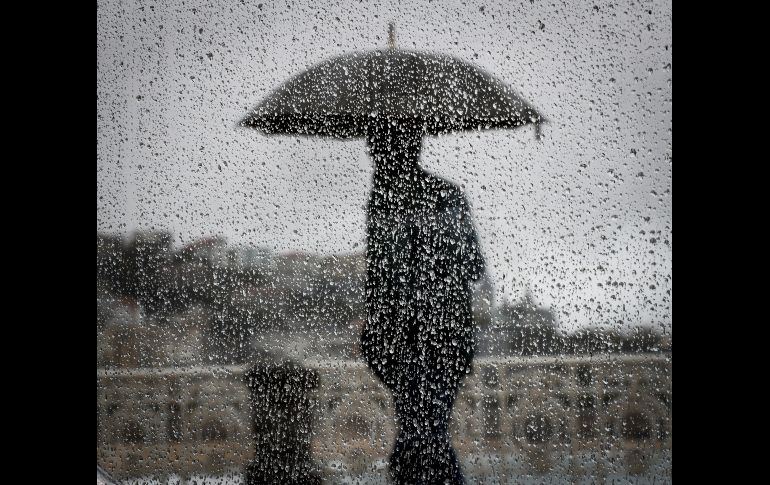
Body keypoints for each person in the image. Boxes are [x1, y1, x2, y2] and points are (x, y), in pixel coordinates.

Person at [360, 121, 485, 484]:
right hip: (431, 340)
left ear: (397, 149)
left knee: (421, 436)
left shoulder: (404, 200)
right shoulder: (399, 198)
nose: (371, 154)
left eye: (377, 147)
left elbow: (380, 279)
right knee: (424, 433)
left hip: (422, 340)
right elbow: (473, 267)